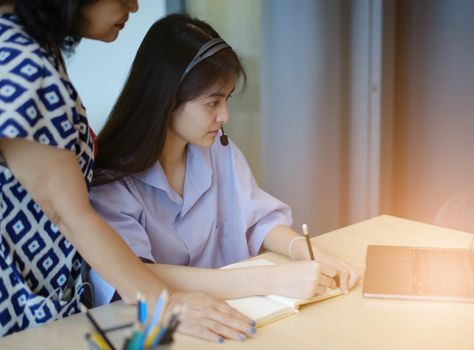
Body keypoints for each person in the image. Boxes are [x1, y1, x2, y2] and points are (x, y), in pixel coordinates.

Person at [0, 0, 255, 343]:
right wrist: (166, 304)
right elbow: (69, 214)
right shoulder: (23, 64)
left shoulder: (31, 49)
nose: (133, 7)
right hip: (18, 303)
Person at [89, 13, 359, 310]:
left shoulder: (218, 149)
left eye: (227, 99)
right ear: (166, 98)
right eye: (212, 103)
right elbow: (135, 274)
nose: (224, 116)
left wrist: (308, 251)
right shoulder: (111, 181)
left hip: (241, 312)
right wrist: (271, 279)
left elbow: (258, 220)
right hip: (167, 323)